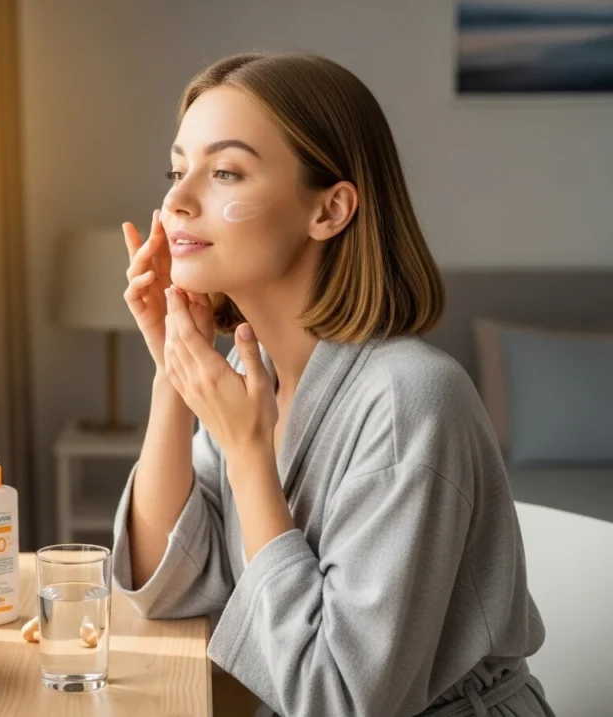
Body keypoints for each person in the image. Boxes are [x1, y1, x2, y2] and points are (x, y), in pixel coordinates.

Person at [114, 52, 555, 717]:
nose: (177, 198)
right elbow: (166, 583)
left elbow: (337, 699)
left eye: (225, 171)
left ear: (330, 210)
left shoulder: (411, 401)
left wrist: (249, 456)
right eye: (179, 170)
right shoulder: (244, 378)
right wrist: (173, 369)